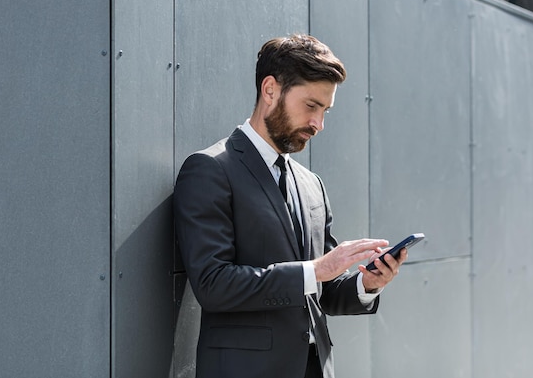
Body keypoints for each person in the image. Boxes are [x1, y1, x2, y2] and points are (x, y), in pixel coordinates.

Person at [173, 34, 407, 378]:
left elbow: (323, 290)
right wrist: (315, 271)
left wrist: (368, 284)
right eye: (311, 106)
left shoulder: (311, 184)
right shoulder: (210, 169)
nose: (319, 124)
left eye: (325, 111)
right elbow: (213, 284)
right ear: (270, 90)